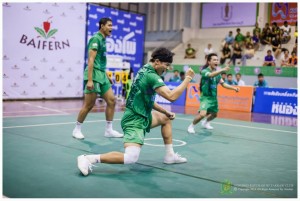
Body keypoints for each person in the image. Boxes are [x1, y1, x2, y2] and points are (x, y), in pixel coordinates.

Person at [77, 48, 196, 176]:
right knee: (131, 157)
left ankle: (170, 155)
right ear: (157, 62)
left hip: (143, 115)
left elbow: (147, 100)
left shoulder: (145, 69)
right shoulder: (152, 76)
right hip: (134, 120)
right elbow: (172, 96)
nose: (167, 68)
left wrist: (165, 112)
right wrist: (188, 78)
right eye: (166, 65)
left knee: (165, 118)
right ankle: (88, 158)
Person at [72, 18, 123, 139]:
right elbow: (91, 60)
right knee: (89, 105)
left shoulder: (104, 40)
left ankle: (109, 130)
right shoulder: (96, 39)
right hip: (93, 75)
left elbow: (99, 61)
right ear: (102, 26)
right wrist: (90, 80)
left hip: (101, 74)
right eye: (109, 25)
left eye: (112, 25)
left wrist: (106, 76)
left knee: (112, 100)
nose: (111, 28)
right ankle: (76, 129)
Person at [187, 53, 239, 133]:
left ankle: (205, 123)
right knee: (202, 114)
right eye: (214, 60)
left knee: (214, 115)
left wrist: (234, 88)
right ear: (209, 62)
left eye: (217, 60)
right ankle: (191, 126)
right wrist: (222, 70)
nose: (216, 61)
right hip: (205, 97)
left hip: (214, 98)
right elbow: (211, 75)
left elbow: (223, 84)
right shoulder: (204, 71)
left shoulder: (217, 75)